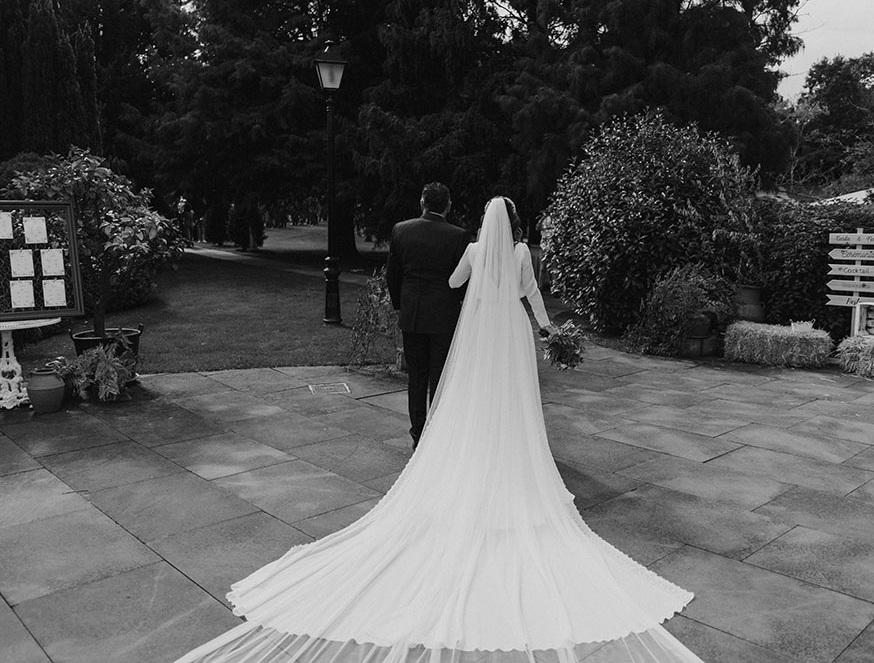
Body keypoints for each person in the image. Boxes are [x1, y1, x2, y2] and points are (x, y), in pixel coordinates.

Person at [169, 196, 705, 663]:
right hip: (513, 336)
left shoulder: (472, 252)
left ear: (485, 225)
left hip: (481, 335)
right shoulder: (522, 254)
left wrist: (468, 288)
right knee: (515, 402)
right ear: (515, 224)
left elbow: (454, 283)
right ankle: (513, 459)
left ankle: (473, 454)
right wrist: (548, 331)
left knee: (473, 398)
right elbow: (534, 298)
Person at [385, 182, 469, 450]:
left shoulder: (401, 230)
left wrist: (402, 306)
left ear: (422, 203)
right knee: (440, 375)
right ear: (448, 206)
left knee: (417, 377)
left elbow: (392, 276)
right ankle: (438, 434)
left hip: (412, 315)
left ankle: (418, 434)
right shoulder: (458, 236)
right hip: (444, 316)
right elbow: (464, 281)